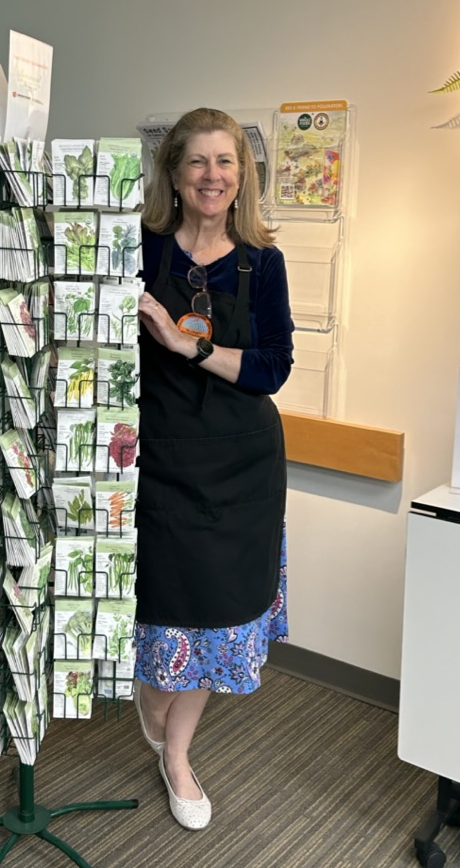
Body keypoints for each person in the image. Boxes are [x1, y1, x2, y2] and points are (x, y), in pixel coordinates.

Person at [133, 107, 294, 830]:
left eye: (225, 162)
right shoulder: (140, 250)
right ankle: (154, 703)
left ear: (242, 175)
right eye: (196, 161)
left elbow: (270, 368)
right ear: (172, 171)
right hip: (157, 463)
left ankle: (177, 757)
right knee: (162, 607)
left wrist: (180, 342)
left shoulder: (262, 262)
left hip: (241, 470)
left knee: (221, 614)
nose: (212, 176)